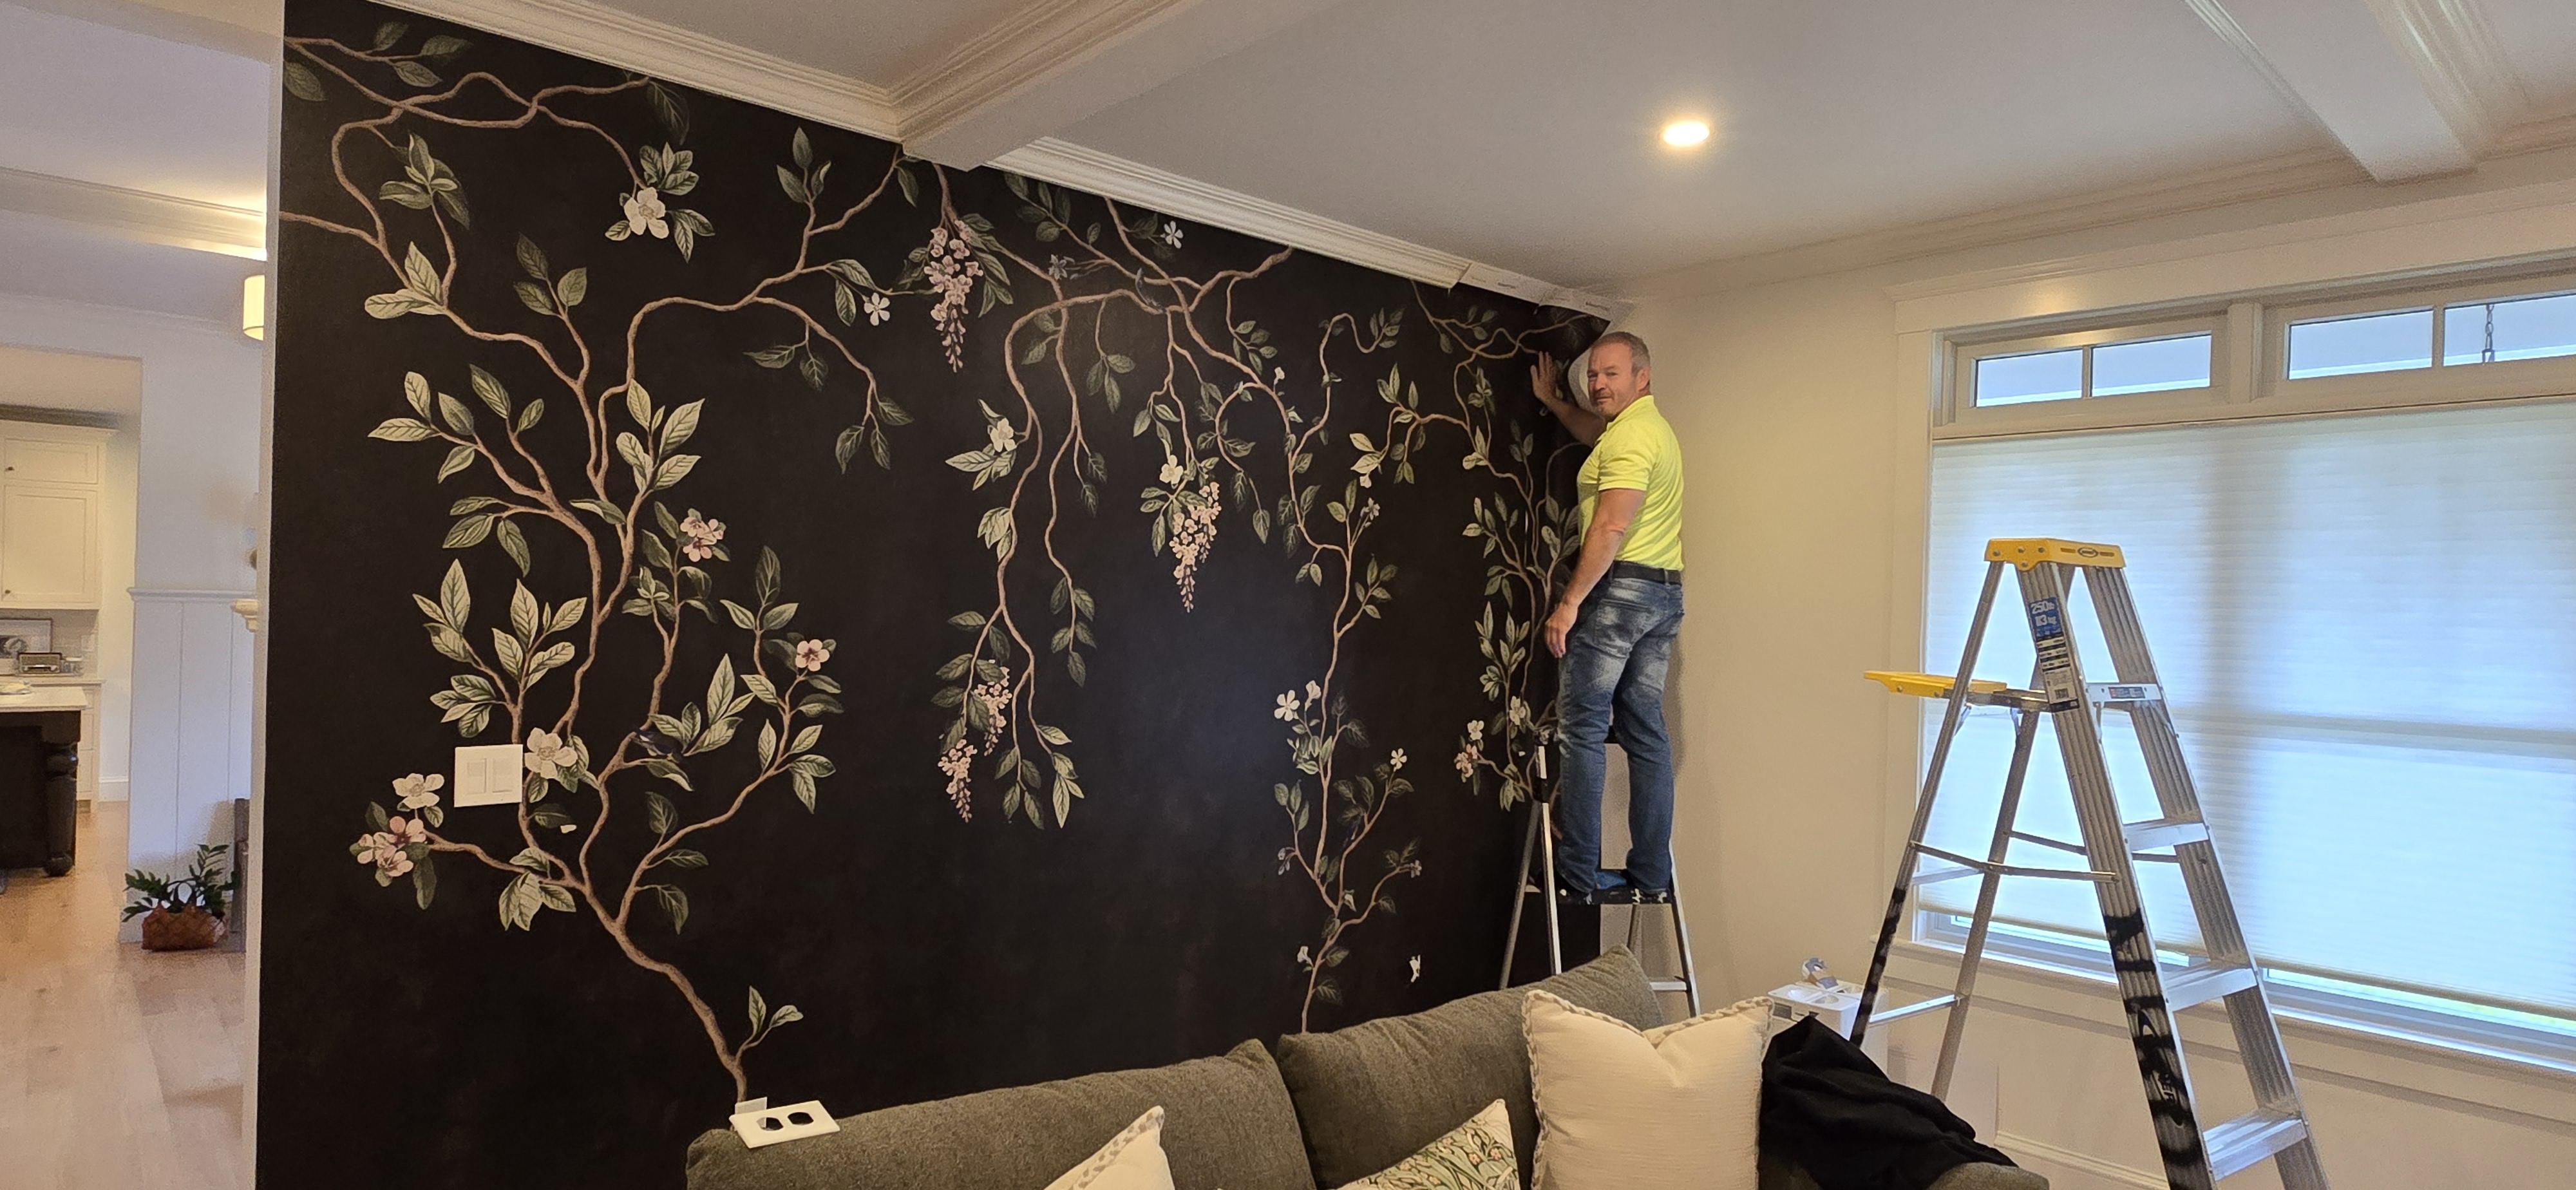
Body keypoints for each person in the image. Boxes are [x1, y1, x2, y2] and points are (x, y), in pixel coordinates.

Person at [1530, 331, 1685, 906]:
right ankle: (1649, 873)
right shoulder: (1647, 431)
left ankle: (1577, 870)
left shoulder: (1631, 441)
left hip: (1621, 594)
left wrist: (1569, 603)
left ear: (1642, 376)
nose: (1598, 384)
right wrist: (1557, 404)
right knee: (1645, 732)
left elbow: (1611, 528)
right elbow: (1596, 435)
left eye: (1611, 374)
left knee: (1584, 727)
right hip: (1665, 594)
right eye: (1594, 375)